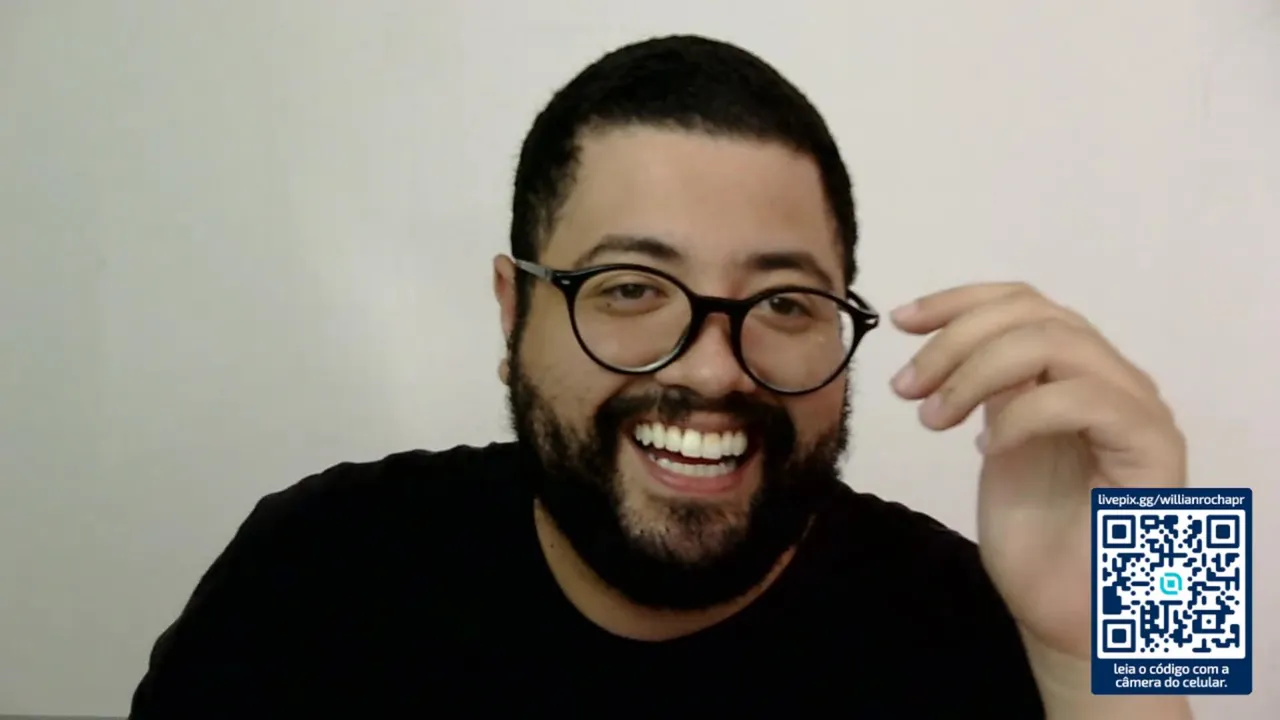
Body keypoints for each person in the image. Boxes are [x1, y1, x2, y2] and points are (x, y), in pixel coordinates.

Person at [129, 35, 1193, 718]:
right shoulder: (313, 570)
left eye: (784, 302)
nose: (712, 368)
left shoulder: (977, 620)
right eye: (632, 288)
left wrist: (1119, 627)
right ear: (513, 310)